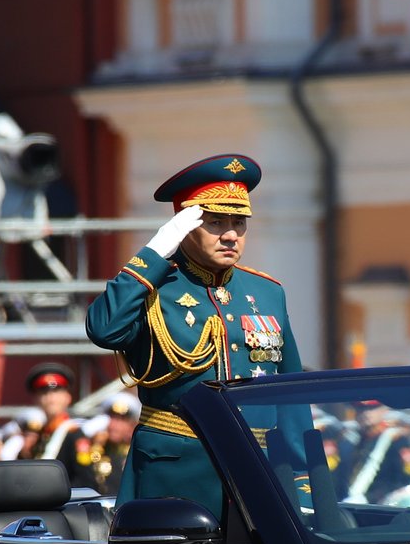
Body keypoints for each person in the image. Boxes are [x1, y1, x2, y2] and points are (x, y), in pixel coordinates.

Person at [86, 153, 305, 517]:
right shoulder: (154, 287)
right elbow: (104, 329)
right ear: (184, 227)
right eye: (215, 222)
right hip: (175, 472)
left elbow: (292, 392)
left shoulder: (267, 292)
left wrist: (302, 479)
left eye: (239, 222)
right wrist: (155, 252)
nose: (231, 234)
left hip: (259, 474)